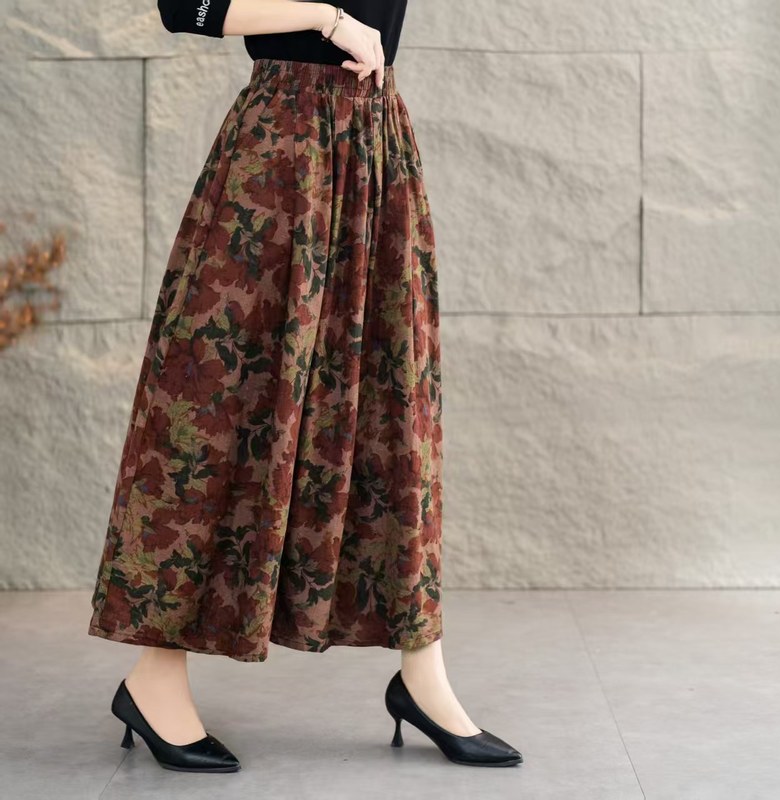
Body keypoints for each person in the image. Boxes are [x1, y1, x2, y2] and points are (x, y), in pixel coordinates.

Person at [87, 0, 523, 772]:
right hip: (281, 154)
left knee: (394, 408)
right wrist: (326, 18)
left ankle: (423, 674)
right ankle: (154, 677)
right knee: (216, 405)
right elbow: (186, 5)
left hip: (374, 143)